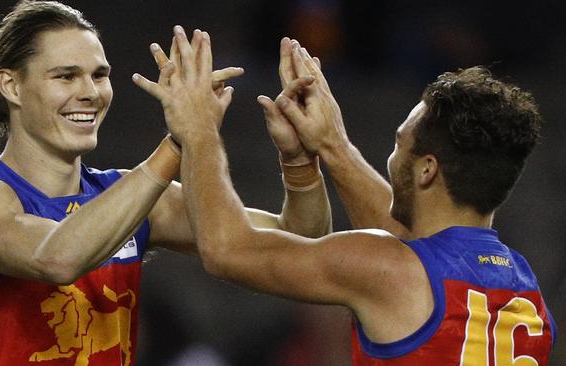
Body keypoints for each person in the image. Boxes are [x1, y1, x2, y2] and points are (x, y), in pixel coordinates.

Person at [0, 2, 332, 365]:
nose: (90, 93)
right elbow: (58, 259)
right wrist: (178, 142)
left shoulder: (134, 199)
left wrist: (299, 160)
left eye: (99, 76)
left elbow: (298, 241)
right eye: (65, 77)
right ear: (11, 85)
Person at [134, 28, 557, 364]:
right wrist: (329, 145)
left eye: (398, 144)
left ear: (428, 169)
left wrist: (197, 129)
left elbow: (226, 250)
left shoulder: (384, 267)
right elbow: (417, 250)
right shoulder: (527, 293)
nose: (391, 160)